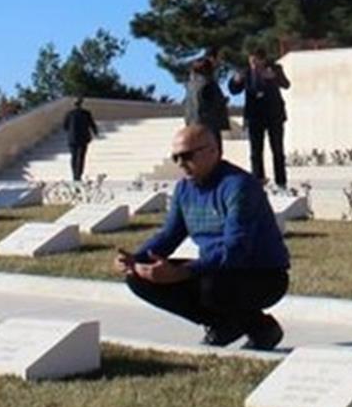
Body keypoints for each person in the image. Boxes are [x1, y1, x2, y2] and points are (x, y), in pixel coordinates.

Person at [115, 122, 289, 350]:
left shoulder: (239, 186)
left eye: (186, 156)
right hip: (217, 270)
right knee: (139, 279)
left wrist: (183, 271)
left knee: (212, 286)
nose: (180, 164)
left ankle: (262, 328)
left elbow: (236, 247)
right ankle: (222, 325)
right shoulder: (184, 189)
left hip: (261, 273)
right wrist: (136, 259)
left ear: (213, 151)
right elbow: (169, 234)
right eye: (175, 157)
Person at [228, 49, 290, 188]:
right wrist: (236, 80)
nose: (253, 65)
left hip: (274, 115)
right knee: (255, 152)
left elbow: (286, 84)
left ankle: (281, 182)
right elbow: (233, 90)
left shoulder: (275, 69)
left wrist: (274, 77)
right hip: (255, 116)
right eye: (251, 62)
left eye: (256, 61)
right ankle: (258, 181)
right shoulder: (246, 72)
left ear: (263, 60)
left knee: (277, 150)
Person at [184, 51, 230, 137]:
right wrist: (223, 101)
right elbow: (212, 104)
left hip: (193, 124)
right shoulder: (208, 84)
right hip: (209, 125)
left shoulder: (191, 84)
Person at [62, 96, 99, 182]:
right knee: (81, 157)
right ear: (81, 104)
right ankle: (79, 174)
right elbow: (92, 124)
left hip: (72, 138)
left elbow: (65, 126)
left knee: (74, 157)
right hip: (83, 138)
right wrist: (95, 132)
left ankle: (74, 174)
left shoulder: (69, 114)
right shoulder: (86, 113)